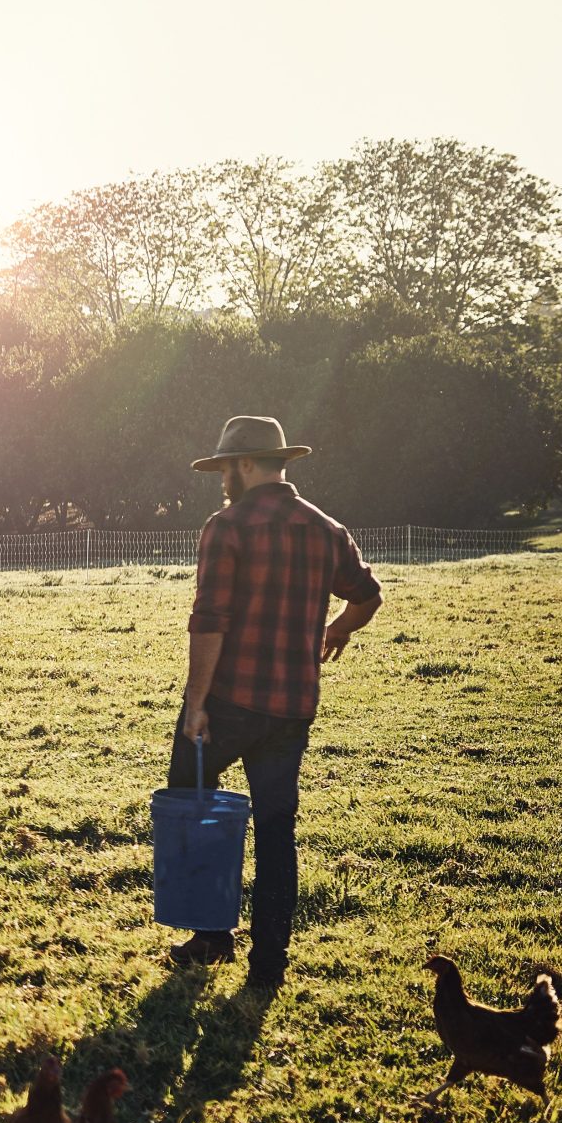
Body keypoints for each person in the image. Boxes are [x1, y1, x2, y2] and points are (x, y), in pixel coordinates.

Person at [169, 415, 383, 989]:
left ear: (243, 466)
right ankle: (267, 967)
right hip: (292, 707)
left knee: (194, 802)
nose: (222, 481)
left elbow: (210, 620)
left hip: (229, 699)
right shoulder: (325, 529)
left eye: (224, 469)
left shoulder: (227, 526)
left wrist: (196, 704)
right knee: (276, 830)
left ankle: (212, 936)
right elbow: (368, 596)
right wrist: (337, 629)